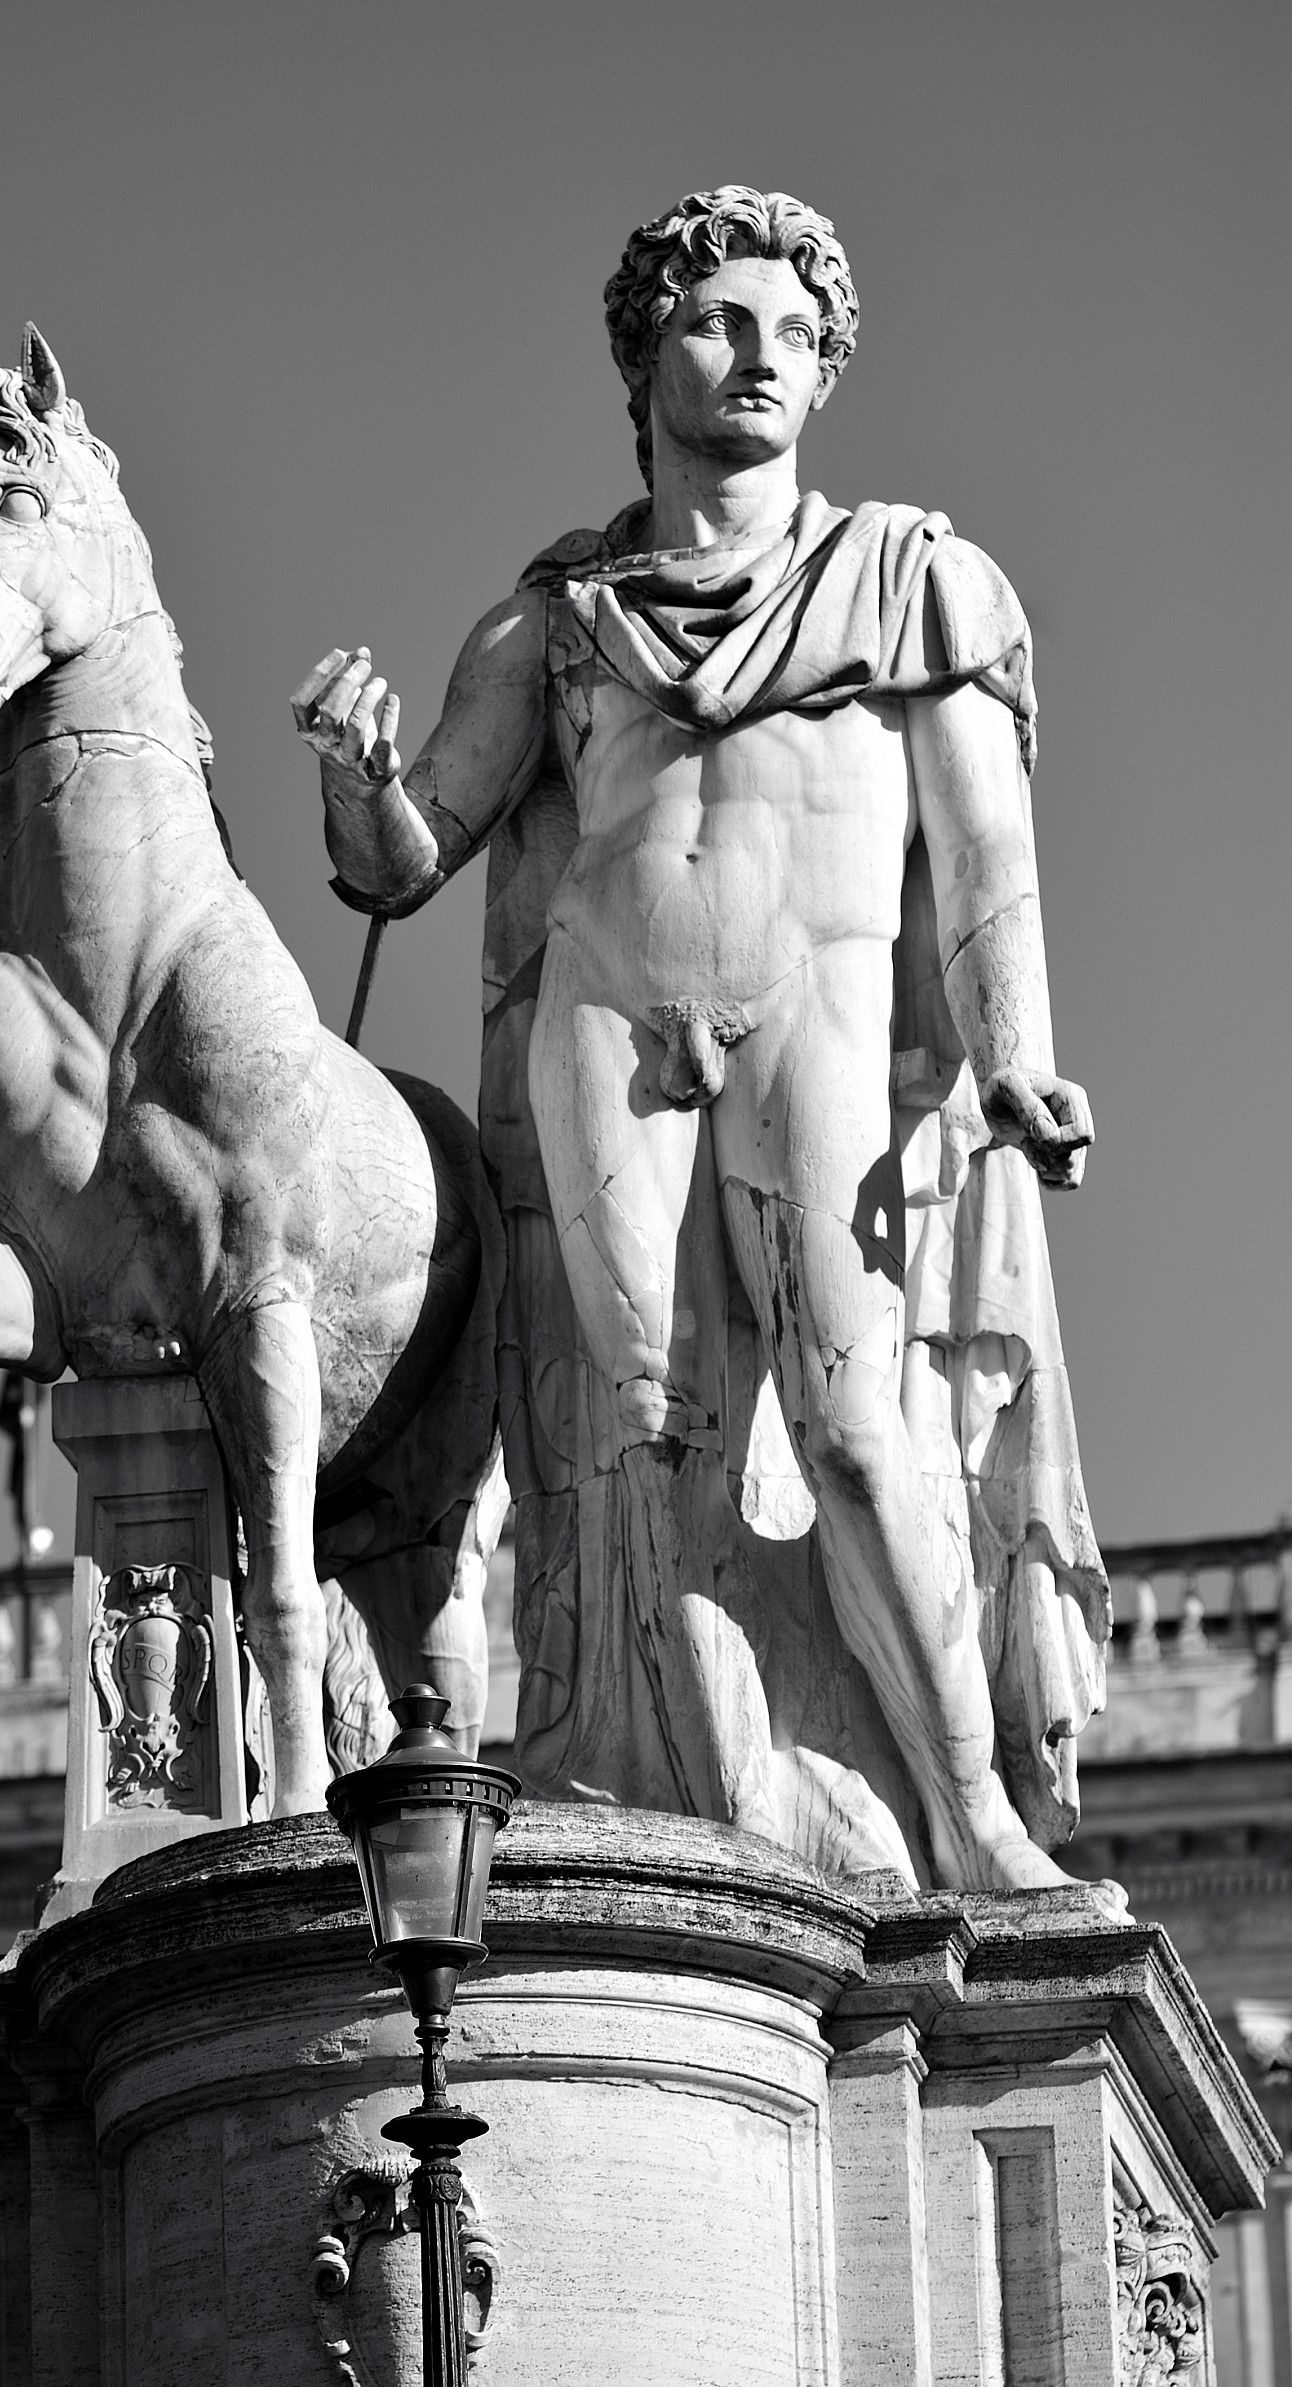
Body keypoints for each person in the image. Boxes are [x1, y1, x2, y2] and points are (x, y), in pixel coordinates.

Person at [293, 186, 1111, 1895]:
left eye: (797, 338)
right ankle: (703, 1790)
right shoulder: (558, 619)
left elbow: (982, 864)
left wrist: (1015, 1047)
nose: (762, 359)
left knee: (849, 1424)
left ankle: (969, 1819)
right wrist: (357, 777)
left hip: (816, 998)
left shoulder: (916, 581)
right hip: (601, 1005)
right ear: (645, 350)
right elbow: (408, 859)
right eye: (722, 323)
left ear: (827, 376)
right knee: (629, 1438)